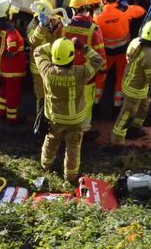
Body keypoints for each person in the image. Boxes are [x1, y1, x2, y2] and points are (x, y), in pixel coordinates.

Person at [35, 37, 103, 183]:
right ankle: (70, 176)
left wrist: (54, 45)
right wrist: (81, 46)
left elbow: (37, 51)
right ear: (72, 57)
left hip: (54, 117)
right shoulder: (80, 73)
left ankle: (45, 166)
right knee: (73, 147)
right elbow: (98, 60)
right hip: (75, 119)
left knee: (51, 141)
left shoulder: (46, 70)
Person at [60, 0, 107, 141]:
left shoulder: (65, 27)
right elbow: (100, 54)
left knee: (69, 102)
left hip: (68, 71)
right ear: (87, 8)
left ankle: (66, 129)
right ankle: (84, 131)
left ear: (73, 10)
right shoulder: (94, 29)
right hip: (87, 75)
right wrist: (103, 71)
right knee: (86, 104)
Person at [110, 20, 151, 145]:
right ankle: (116, 142)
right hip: (136, 89)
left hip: (130, 81)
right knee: (127, 115)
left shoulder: (136, 42)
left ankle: (135, 129)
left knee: (145, 104)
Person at [94, 0, 145, 108]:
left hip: (106, 53)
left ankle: (95, 103)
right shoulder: (125, 10)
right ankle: (117, 104)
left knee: (101, 77)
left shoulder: (97, 15)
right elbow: (141, 11)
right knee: (121, 77)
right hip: (123, 52)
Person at [0, 0, 26, 125]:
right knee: (13, 94)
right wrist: (13, 51)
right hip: (12, 70)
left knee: (3, 89)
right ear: (5, 15)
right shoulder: (10, 31)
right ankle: (12, 118)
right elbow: (12, 45)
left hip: (2, 68)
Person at [27, 0, 62, 114]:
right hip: (38, 68)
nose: (51, 18)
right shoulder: (33, 26)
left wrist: (57, 27)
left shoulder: (50, 24)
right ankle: (41, 120)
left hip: (51, 65)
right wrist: (43, 26)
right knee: (41, 96)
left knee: (52, 94)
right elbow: (33, 41)